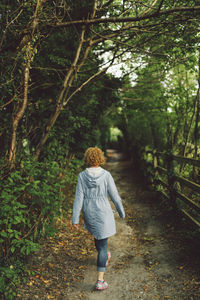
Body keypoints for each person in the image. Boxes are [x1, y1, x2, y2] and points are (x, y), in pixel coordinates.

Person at [72, 147, 125, 291]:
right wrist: (121, 211)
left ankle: (105, 254)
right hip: (103, 212)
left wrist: (75, 218)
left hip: (90, 212)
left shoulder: (82, 176)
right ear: (100, 158)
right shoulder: (106, 175)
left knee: (99, 238)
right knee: (102, 245)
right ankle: (100, 281)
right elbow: (114, 195)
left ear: (87, 159)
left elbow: (79, 198)